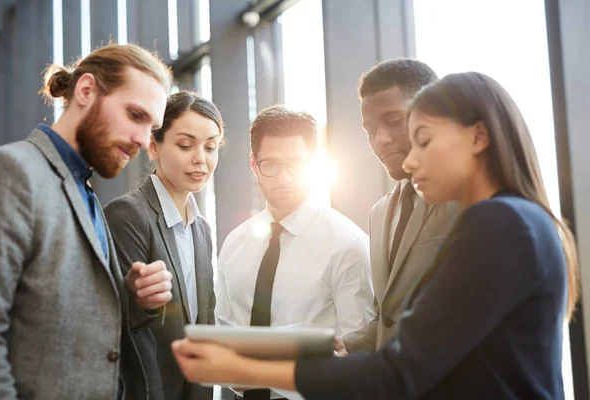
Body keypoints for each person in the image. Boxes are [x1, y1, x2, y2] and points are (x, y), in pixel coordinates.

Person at [172, 71, 580, 400]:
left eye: (424, 140)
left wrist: (244, 369)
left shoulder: (499, 224)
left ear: (478, 136)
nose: (411, 158)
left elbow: (400, 372)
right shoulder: (520, 220)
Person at [0, 43, 175, 399]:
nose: (141, 140)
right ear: (86, 91)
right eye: (135, 115)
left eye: (151, 127)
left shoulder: (84, 190)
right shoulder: (13, 172)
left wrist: (130, 297)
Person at [214, 105, 375, 399]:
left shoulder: (348, 244)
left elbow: (358, 356)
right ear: (253, 164)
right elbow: (223, 326)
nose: (284, 178)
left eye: (296, 164)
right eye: (270, 165)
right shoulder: (235, 243)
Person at [104, 91, 224, 400]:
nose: (201, 158)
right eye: (186, 145)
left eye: (211, 147)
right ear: (153, 145)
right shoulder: (128, 215)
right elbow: (120, 325)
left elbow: (203, 328)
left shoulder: (201, 230)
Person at [339, 59, 459, 353]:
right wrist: (345, 346)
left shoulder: (469, 200)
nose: (380, 140)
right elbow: (387, 321)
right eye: (370, 130)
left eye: (394, 120)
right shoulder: (379, 214)